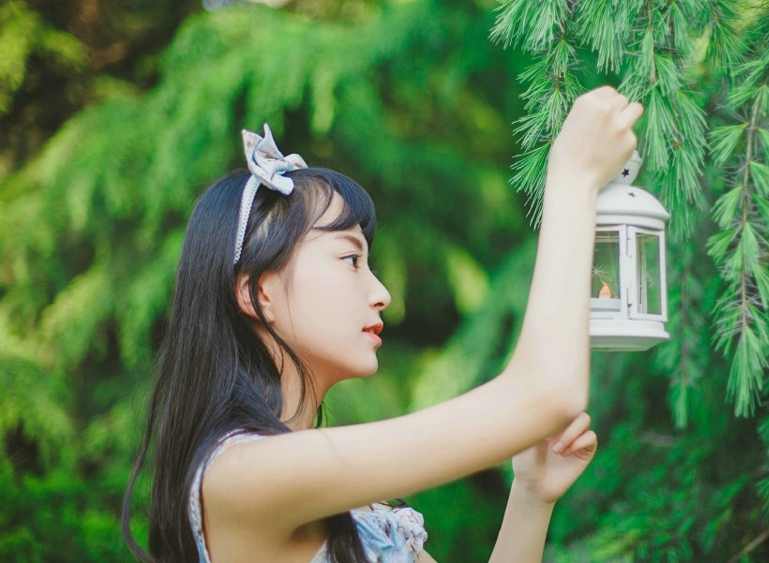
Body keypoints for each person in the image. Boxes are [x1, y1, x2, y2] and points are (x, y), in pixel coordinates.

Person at [121, 86, 644, 563]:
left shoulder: (346, 506)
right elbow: (548, 392)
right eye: (350, 259)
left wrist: (529, 498)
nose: (382, 293)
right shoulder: (239, 475)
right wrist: (572, 177)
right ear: (259, 294)